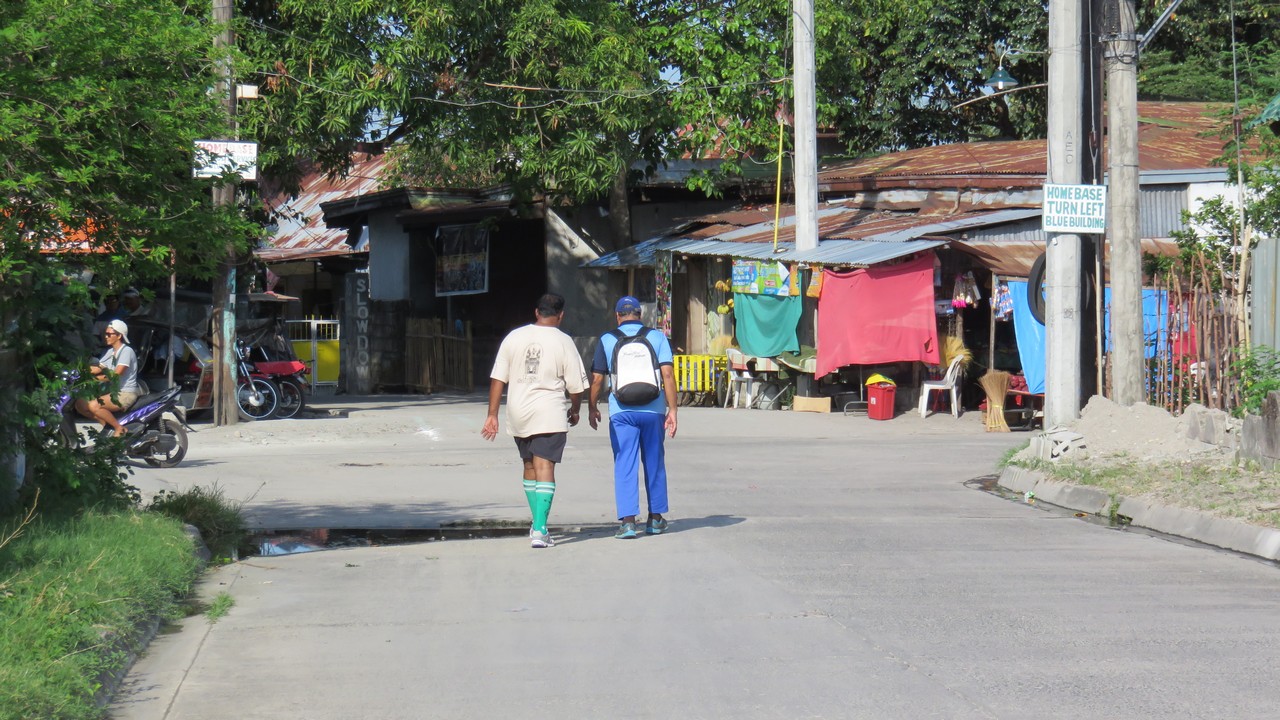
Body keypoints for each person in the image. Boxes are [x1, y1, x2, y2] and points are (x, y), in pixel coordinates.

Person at [482, 293, 589, 549]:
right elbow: (576, 387)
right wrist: (575, 410)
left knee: (529, 465)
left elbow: (498, 378)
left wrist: (492, 414)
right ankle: (540, 530)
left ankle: (537, 523)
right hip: (549, 413)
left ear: (536, 312)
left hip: (518, 411)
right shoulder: (564, 341)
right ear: (561, 315)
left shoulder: (514, 337)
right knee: (545, 467)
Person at [587, 296, 678, 539]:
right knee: (654, 462)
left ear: (617, 316)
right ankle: (655, 519)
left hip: (622, 412)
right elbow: (668, 375)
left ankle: (628, 523)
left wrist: (592, 407)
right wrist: (673, 409)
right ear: (640, 315)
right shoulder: (657, 337)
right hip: (653, 410)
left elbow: (597, 379)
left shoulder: (607, 339)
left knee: (624, 462)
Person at [76, 319, 141, 437]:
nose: (106, 336)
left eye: (109, 334)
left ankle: (119, 428)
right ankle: (107, 428)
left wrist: (94, 379)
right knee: (80, 404)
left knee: (93, 405)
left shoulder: (126, 351)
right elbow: (97, 368)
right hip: (113, 392)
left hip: (125, 393)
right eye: (105, 333)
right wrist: (79, 371)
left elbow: (116, 374)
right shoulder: (110, 352)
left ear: (119, 336)